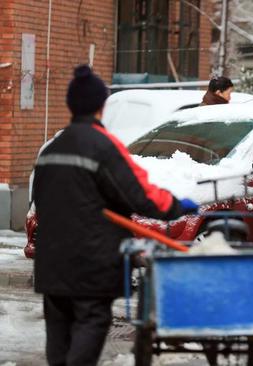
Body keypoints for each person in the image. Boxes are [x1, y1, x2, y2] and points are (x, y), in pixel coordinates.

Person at [32, 64, 199, 366]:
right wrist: (175, 206)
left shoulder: (51, 149)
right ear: (101, 105)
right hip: (91, 261)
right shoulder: (103, 146)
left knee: (58, 330)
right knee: (91, 321)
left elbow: (41, 200)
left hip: (52, 259)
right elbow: (139, 195)